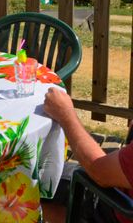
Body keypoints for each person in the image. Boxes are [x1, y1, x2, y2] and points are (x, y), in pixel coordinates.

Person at [42, 87, 133, 223]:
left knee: (35, 179)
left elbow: (99, 172)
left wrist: (65, 115)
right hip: (121, 184)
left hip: (114, 208)